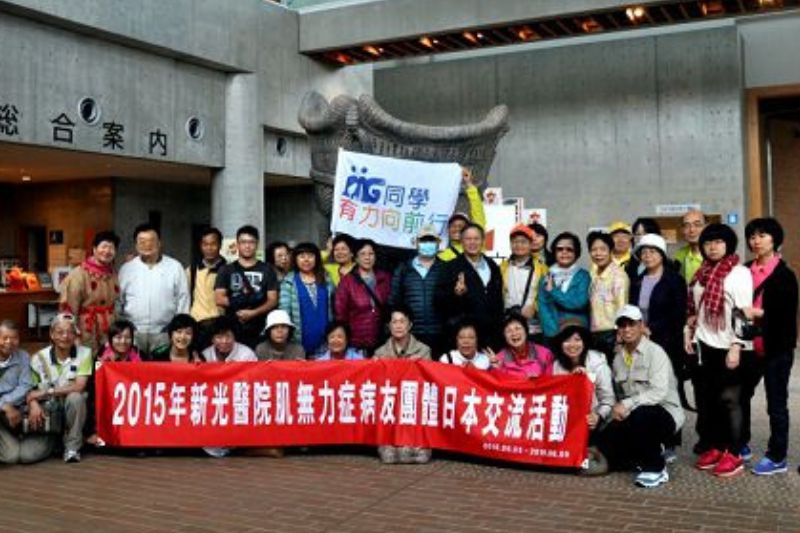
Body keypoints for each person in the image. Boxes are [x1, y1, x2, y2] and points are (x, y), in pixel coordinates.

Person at [685, 223, 753, 477]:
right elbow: (695, 308)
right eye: (708, 242)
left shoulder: (738, 273)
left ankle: (734, 453)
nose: (712, 247)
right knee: (710, 400)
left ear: (728, 245)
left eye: (718, 242)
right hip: (705, 344)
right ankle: (717, 446)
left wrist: (736, 345)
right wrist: (689, 332)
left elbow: (744, 314)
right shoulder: (703, 271)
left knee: (730, 400)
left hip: (730, 345)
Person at [595, 305, 684, 488]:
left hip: (664, 413)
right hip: (634, 414)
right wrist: (613, 414)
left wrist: (627, 404)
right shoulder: (618, 359)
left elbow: (658, 393)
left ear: (641, 326)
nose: (627, 329)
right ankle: (639, 455)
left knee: (642, 415)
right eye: (622, 325)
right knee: (605, 441)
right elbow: (619, 396)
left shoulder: (656, 352)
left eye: (632, 324)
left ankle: (656, 468)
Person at [740, 218, 798, 475]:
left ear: (775, 240)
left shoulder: (785, 275)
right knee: (740, 396)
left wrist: (758, 313)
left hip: (776, 349)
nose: (756, 241)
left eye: (762, 235)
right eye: (752, 236)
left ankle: (777, 456)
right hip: (746, 346)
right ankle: (741, 443)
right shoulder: (743, 271)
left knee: (776, 404)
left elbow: (787, 314)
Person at [629, 234, 688, 412]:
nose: (647, 256)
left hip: (667, 340)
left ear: (662, 254)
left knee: (669, 383)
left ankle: (673, 424)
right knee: (645, 383)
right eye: (644, 252)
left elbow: (678, 313)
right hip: (641, 340)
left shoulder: (675, 280)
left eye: (652, 252)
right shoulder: (637, 280)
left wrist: (651, 328)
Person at [28, 313, 93, 463]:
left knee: (76, 397)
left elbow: (79, 386)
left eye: (70, 332)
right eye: (60, 332)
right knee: (34, 454)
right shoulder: (38, 358)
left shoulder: (85, 353)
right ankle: (55, 442)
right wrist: (33, 404)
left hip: (72, 406)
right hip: (49, 408)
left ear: (75, 334)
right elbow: (31, 390)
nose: (65, 336)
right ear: (52, 334)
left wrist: (47, 391)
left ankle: (72, 448)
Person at [118, 223, 189, 358]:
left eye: (151, 240)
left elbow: (183, 299)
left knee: (162, 368)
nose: (147, 245)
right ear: (136, 245)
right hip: (133, 333)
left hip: (164, 333)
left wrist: (177, 329)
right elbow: (118, 300)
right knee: (135, 368)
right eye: (142, 241)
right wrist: (123, 327)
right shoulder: (126, 269)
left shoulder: (175, 267)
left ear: (159, 243)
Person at [373, 306, 432, 465]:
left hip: (413, 407)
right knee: (389, 456)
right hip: (390, 408)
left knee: (419, 454)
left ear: (410, 325)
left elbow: (428, 383)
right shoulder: (380, 353)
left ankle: (416, 443)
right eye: (394, 322)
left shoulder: (424, 351)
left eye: (402, 321)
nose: (398, 326)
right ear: (389, 326)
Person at [437, 223, 504, 350]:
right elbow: (438, 301)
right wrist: (455, 294)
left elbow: (499, 301)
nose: (472, 242)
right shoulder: (450, 267)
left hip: (491, 335)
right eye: (468, 239)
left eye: (476, 238)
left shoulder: (493, 266)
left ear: (483, 241)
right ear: (461, 241)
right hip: (463, 336)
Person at [215, 225, 279, 349]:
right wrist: (241, 306)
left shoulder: (267, 269)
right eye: (243, 242)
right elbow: (219, 298)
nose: (247, 246)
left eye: (251, 242)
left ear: (257, 244)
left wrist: (253, 313)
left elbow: (273, 300)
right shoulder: (226, 269)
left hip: (261, 329)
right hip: (233, 328)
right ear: (237, 245)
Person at [552, 323, 615, 446]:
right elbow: (556, 398)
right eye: (567, 340)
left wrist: (598, 416)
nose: (572, 345)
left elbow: (608, 399)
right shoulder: (557, 365)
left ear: (584, 342)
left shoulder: (598, 363)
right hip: (567, 422)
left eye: (577, 339)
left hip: (595, 422)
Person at [0, 320, 53, 464]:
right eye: (4, 338)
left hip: (20, 410)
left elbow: (25, 386)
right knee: (10, 457)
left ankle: (48, 441)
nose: (9, 342)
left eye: (14, 338)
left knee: (23, 455)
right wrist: (3, 405)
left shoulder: (23, 357)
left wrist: (6, 403)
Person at [59, 231, 121, 352]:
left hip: (109, 328)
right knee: (87, 360)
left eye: (111, 248)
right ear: (94, 249)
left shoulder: (113, 273)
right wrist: (72, 334)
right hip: (85, 329)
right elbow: (68, 309)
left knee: (107, 359)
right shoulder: (78, 274)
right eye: (104, 246)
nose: (107, 251)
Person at [390, 225, 447, 355]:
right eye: (424, 240)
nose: (427, 244)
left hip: (439, 334)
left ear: (438, 244)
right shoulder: (404, 269)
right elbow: (394, 300)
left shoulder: (446, 269)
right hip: (411, 335)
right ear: (416, 243)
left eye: (431, 240)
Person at [334, 239, 391, 355]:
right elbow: (341, 315)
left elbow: (391, 306)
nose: (367, 257)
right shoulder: (347, 282)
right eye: (363, 254)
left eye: (371, 254)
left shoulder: (385, 278)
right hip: (356, 342)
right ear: (356, 257)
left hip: (382, 340)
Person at [279, 242, 334, 357]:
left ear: (316, 258)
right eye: (302, 256)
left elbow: (334, 306)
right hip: (298, 344)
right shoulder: (289, 282)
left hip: (326, 343)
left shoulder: (326, 278)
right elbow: (284, 313)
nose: (306, 260)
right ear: (295, 259)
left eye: (310, 256)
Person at [537, 232, 591, 341]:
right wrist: (554, 332)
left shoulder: (583, 276)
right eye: (559, 249)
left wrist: (553, 291)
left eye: (569, 249)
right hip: (552, 334)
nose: (564, 252)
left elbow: (578, 302)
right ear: (554, 252)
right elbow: (543, 308)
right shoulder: (547, 276)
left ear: (576, 253)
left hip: (577, 332)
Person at [500, 224, 548, 339]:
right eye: (515, 242)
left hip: (533, 326)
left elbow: (548, 295)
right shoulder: (502, 267)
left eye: (523, 242)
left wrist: (535, 307)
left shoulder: (542, 268)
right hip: (510, 325)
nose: (519, 245)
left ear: (531, 244)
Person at [586, 231, 628, 361]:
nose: (598, 253)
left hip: (611, 334)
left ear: (610, 250)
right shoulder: (593, 274)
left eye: (603, 249)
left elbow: (622, 307)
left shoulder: (618, 276)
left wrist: (620, 336)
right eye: (594, 250)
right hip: (593, 333)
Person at [187, 227, 226, 352]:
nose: (209, 248)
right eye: (205, 244)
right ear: (200, 246)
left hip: (220, 325)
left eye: (213, 244)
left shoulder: (229, 269)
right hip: (197, 324)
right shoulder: (192, 270)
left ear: (220, 245)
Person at [437, 167, 486, 262]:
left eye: (461, 226)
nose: (457, 229)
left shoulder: (476, 247)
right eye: (453, 226)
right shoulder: (442, 257)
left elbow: (478, 213)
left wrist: (469, 184)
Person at [490, 312, 554, 379]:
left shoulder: (545, 354)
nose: (514, 333)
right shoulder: (498, 358)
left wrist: (537, 381)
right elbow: (496, 382)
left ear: (526, 331)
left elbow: (550, 382)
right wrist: (498, 369)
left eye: (517, 328)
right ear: (504, 337)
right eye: (509, 331)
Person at [675, 209, 707, 284]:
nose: (692, 230)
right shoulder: (680, 254)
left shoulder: (715, 254)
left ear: (706, 227)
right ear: (682, 230)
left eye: (697, 225)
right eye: (686, 226)